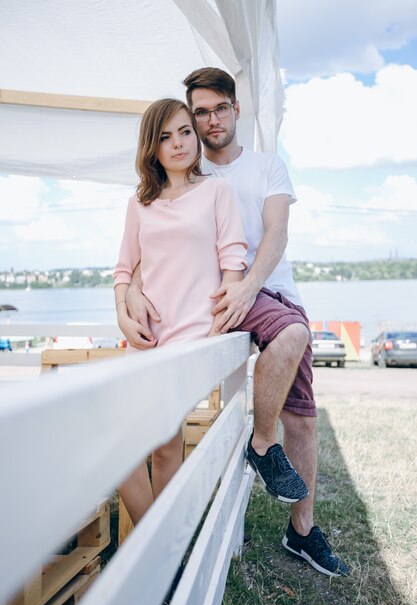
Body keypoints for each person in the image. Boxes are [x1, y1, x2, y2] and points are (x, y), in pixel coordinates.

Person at [126, 69, 349, 577]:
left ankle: (301, 528)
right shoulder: (185, 169)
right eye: (198, 113)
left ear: (235, 109)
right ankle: (242, 478)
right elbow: (152, 240)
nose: (207, 121)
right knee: (171, 428)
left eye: (218, 109)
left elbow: (276, 233)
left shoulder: (267, 167)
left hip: (263, 291)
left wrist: (247, 286)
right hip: (207, 300)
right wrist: (130, 290)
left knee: (304, 414)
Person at [113, 97, 248, 524]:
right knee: (123, 449)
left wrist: (218, 330)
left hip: (193, 341)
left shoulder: (216, 191)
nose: (178, 144)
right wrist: (123, 310)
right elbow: (124, 268)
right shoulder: (139, 203)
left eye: (185, 132)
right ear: (151, 148)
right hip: (145, 340)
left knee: (164, 442)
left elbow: (233, 264)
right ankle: (159, 543)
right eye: (165, 137)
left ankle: (154, 551)